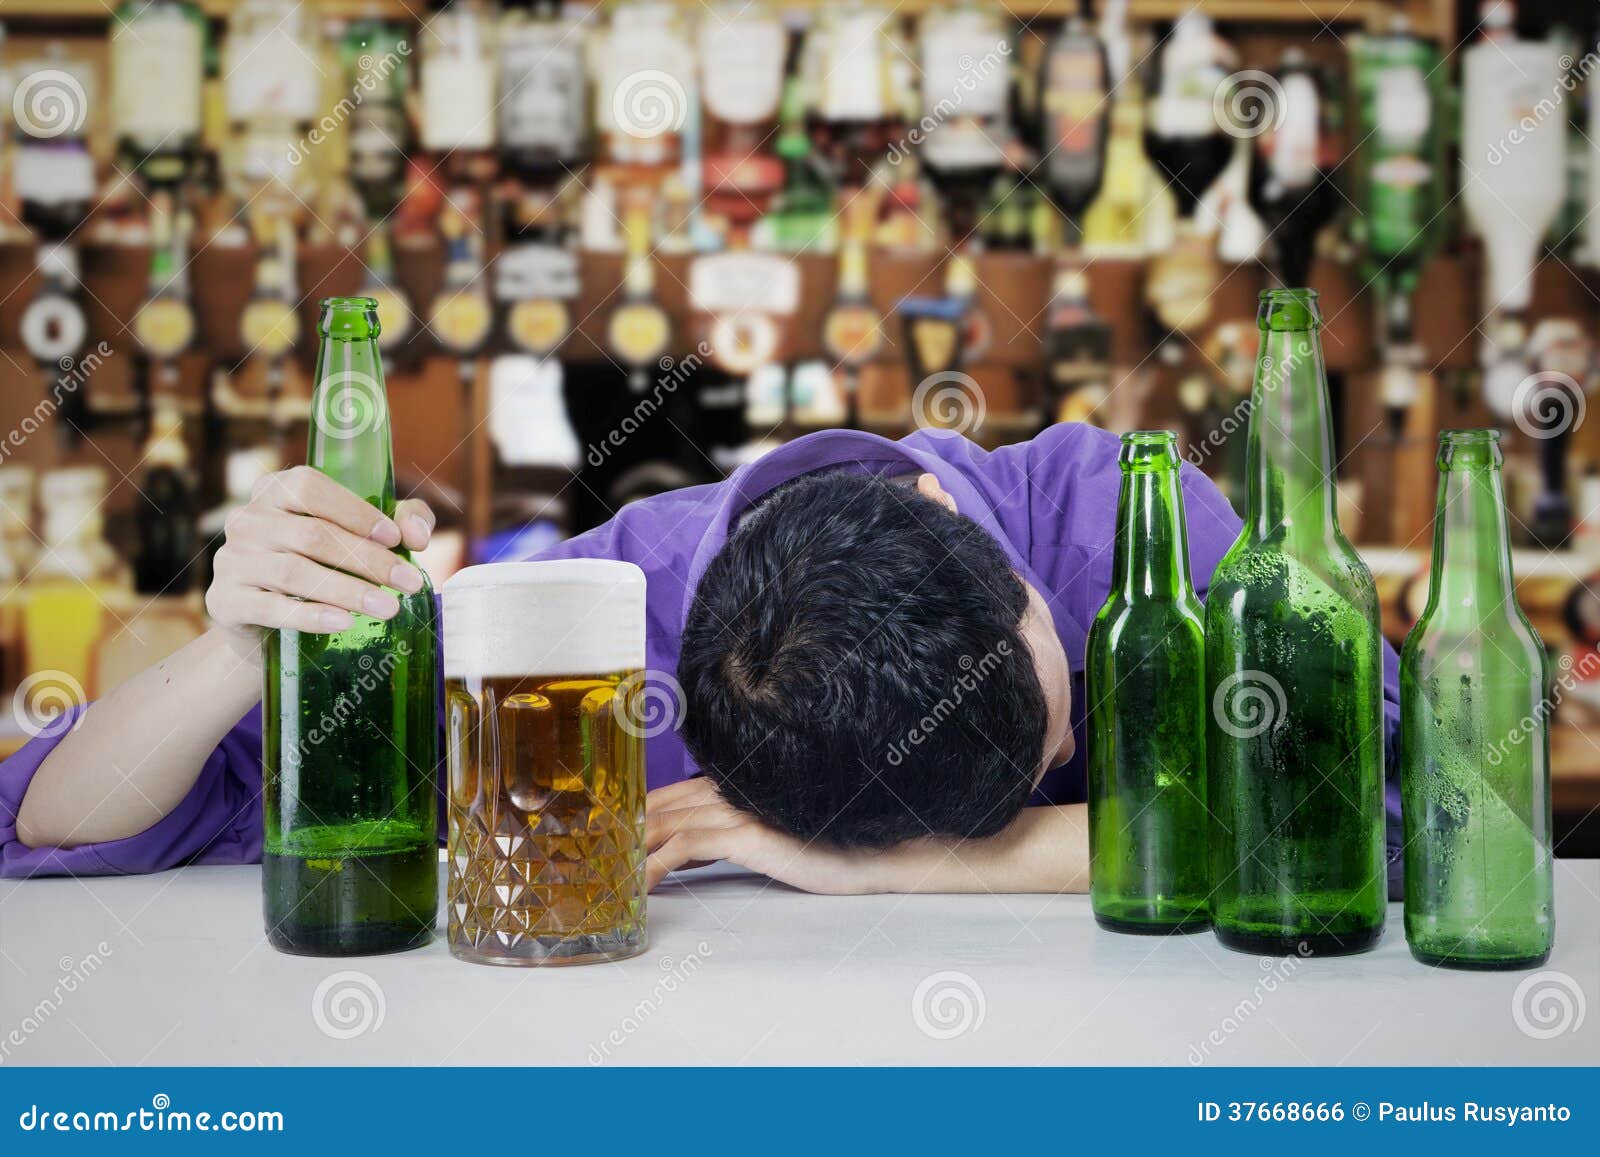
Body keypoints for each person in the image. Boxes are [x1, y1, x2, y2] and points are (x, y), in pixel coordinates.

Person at [0, 424, 1403, 894]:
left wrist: (887, 864)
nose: (1066, 743)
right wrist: (236, 651)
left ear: (953, 519)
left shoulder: (1121, 509)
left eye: (1056, 721)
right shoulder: (576, 634)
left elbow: (1383, 807)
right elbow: (50, 821)